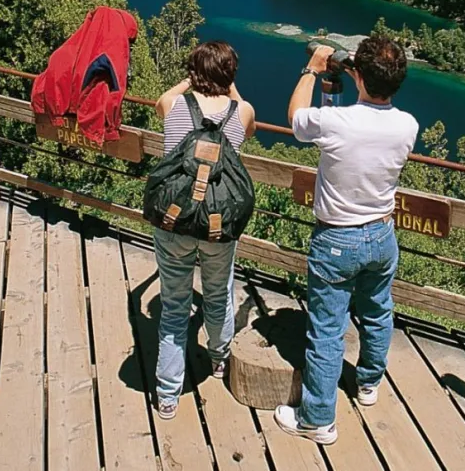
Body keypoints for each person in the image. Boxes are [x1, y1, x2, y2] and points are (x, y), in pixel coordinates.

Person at [275, 35, 418, 444]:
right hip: (382, 233)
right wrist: (359, 72)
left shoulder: (336, 122)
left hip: (337, 239)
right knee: (377, 311)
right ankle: (368, 383)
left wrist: (312, 69)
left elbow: (295, 117)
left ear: (359, 76)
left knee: (327, 329)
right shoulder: (408, 125)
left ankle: (318, 418)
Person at [152, 40, 256, 420]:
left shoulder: (174, 105)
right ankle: (218, 358)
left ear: (194, 72)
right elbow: (248, 123)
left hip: (174, 219)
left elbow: (162, 99)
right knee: (217, 294)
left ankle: (167, 394)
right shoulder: (242, 111)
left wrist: (191, 80)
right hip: (218, 222)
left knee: (174, 307)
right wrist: (228, 85)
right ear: (230, 75)